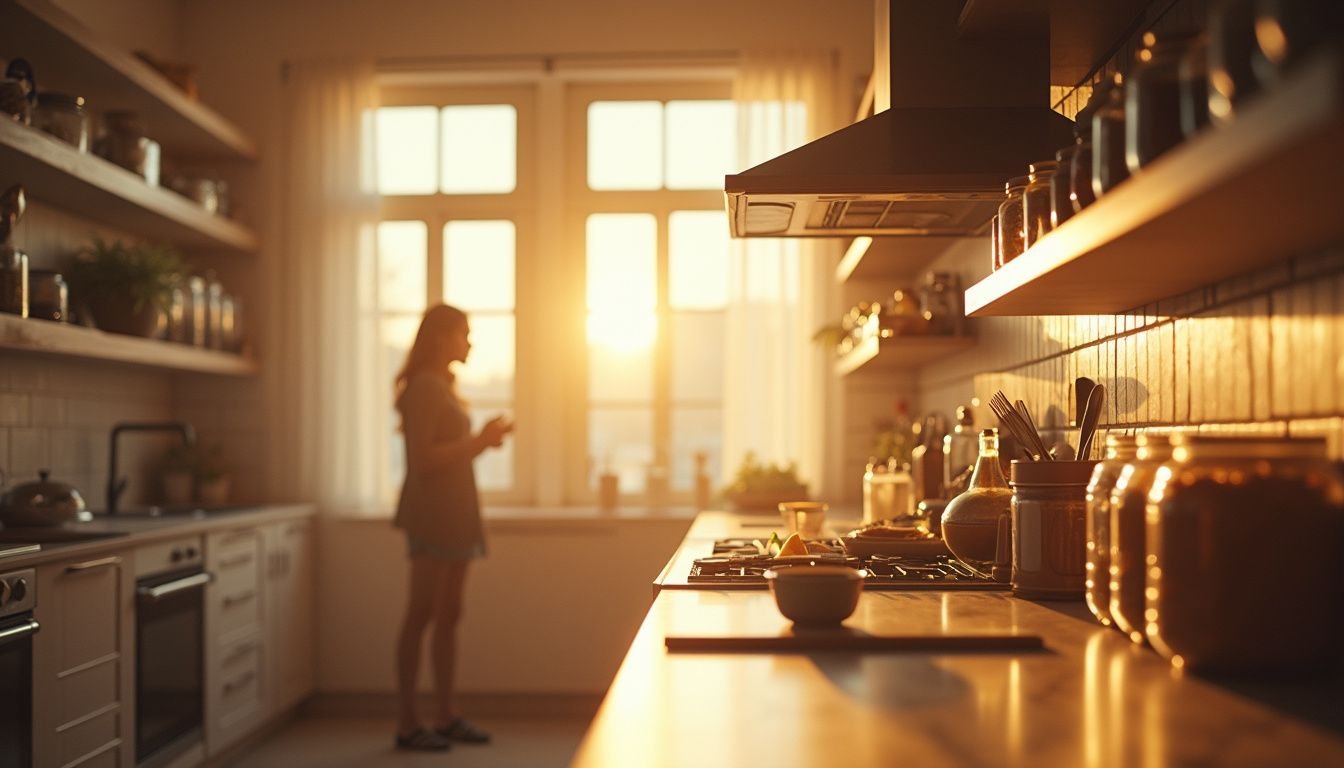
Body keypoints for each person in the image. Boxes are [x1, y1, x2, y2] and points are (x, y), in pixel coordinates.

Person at [392, 303, 513, 752]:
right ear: (441, 337)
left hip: (456, 514)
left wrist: (483, 441)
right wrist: (479, 440)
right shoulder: (424, 387)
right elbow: (423, 460)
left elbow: (449, 452)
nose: (470, 342)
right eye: (464, 333)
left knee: (448, 617)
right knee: (421, 614)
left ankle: (444, 714)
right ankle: (408, 722)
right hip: (432, 516)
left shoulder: (442, 386)